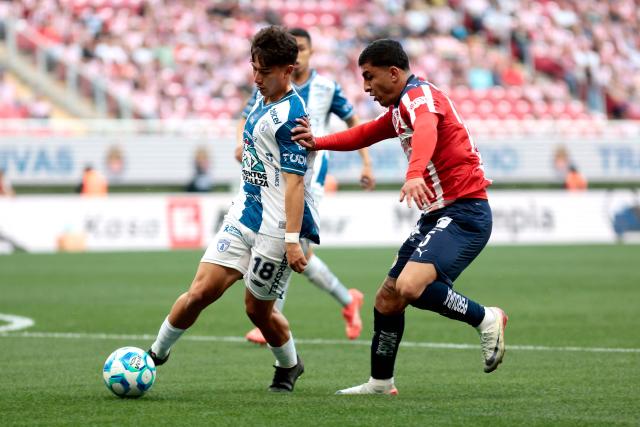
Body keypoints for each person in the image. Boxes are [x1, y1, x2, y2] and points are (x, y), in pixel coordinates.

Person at [292, 39, 507, 394]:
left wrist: (414, 173)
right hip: (438, 215)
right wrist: (318, 141)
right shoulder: (400, 109)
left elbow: (427, 128)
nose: (365, 87)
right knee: (388, 298)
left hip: (465, 210)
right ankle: (380, 382)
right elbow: (364, 133)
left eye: (369, 77)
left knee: (410, 286)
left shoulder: (417, 96)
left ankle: (486, 318)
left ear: (393, 73)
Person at [147, 26, 316, 393]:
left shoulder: (293, 117)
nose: (256, 78)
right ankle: (152, 357)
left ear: (287, 70)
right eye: (253, 68)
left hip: (276, 226)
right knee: (199, 292)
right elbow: (250, 120)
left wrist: (291, 240)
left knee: (256, 311)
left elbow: (295, 183)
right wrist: (245, 143)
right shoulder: (263, 95)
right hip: (244, 213)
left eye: (264, 71)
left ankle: (289, 365)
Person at [235, 28, 376, 344]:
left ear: (310, 53)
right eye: (293, 49)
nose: (297, 55)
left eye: (302, 49)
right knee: (296, 248)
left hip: (309, 177)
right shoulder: (266, 83)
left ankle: (270, 318)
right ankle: (346, 300)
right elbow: (245, 119)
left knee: (291, 243)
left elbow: (355, 123)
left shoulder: (327, 87)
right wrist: (239, 144)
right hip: (272, 177)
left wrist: (366, 163)